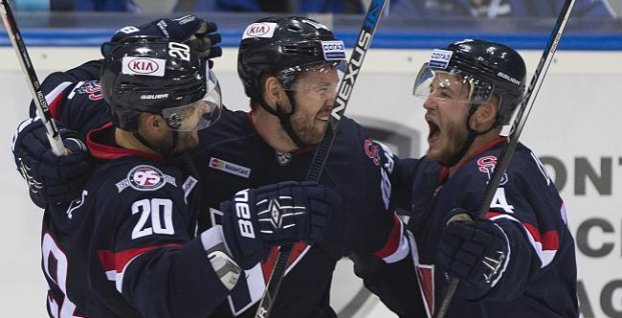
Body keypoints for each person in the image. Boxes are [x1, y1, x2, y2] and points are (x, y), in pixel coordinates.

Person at [12, 15, 424, 317]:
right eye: (320, 87)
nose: (332, 100)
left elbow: (392, 240)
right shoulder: (185, 141)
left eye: (334, 86)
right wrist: (32, 140)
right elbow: (163, 292)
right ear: (275, 91)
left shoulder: (349, 153)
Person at [392, 39, 578, 317]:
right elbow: (387, 179)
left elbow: (513, 233)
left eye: (444, 93)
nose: (428, 102)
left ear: (484, 112)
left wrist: (496, 255)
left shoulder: (498, 175)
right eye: (431, 89)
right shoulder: (440, 170)